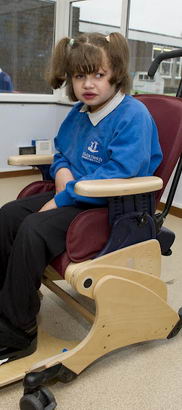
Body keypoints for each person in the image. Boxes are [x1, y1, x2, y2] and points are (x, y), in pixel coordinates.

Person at [0, 32, 163, 364]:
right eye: (79, 76)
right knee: (7, 216)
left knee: (33, 228)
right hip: (77, 195)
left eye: (98, 75)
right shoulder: (79, 113)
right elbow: (62, 151)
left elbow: (123, 172)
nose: (88, 84)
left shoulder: (133, 117)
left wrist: (62, 198)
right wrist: (60, 171)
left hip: (112, 208)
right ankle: (11, 302)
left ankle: (18, 332)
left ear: (115, 73)